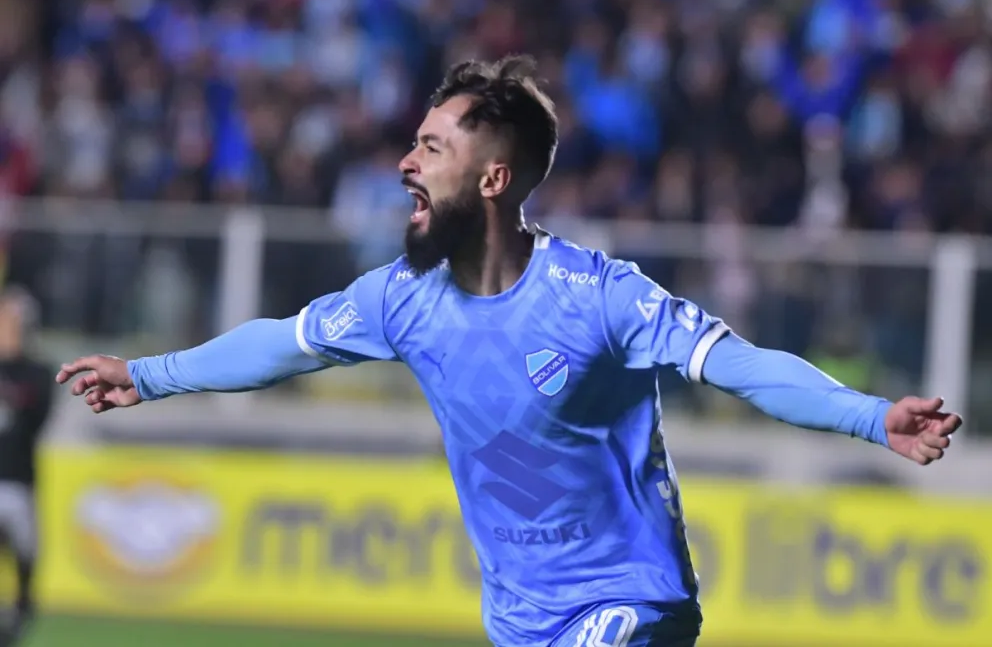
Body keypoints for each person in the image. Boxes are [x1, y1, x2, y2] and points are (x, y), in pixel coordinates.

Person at [56, 56, 960, 647]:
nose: (406, 162)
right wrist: (146, 375)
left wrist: (872, 417)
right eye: (413, 143)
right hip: (520, 620)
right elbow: (283, 345)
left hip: (629, 602)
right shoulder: (400, 299)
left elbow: (747, 367)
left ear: (492, 180)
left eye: (430, 147)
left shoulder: (602, 297)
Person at [0, 288, 53, 643]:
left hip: (17, 478)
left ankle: (19, 616)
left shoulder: (36, 371)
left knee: (24, 553)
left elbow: (36, 419)